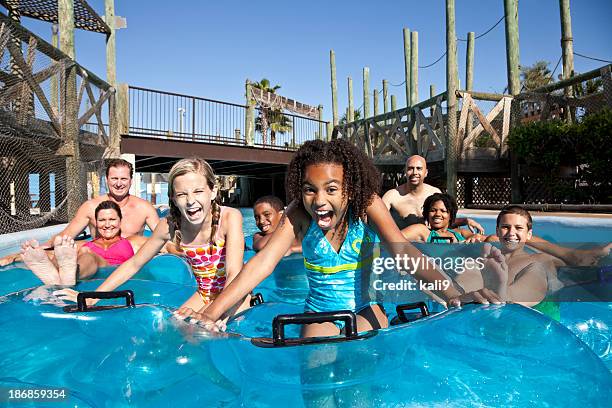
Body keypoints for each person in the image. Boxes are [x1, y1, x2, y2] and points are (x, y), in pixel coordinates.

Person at [182, 139, 500, 335]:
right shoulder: (298, 214)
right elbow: (261, 264)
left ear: (350, 188)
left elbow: (405, 252)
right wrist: (210, 313)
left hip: (364, 307)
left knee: (366, 355)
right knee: (319, 360)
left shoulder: (367, 205)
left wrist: (455, 295)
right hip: (319, 310)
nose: (319, 200)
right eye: (310, 189)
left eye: (331, 189)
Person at [55, 157, 250, 320]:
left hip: (235, 294)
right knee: (172, 332)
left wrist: (216, 314)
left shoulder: (229, 217)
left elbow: (234, 273)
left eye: (198, 191)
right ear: (173, 198)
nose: (191, 201)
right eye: (182, 194)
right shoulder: (170, 226)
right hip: (204, 294)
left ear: (213, 191)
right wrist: (93, 297)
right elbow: (133, 264)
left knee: (216, 333)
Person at [456, 206, 562, 319]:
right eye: (506, 227)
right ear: (497, 231)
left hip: (533, 325)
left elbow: (549, 287)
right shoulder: (484, 260)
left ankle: (503, 295)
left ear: (529, 234)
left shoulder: (540, 259)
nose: (511, 232)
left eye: (518, 228)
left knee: (537, 268)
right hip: (492, 323)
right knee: (471, 267)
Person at [12, 201, 149, 285]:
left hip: (111, 271)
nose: (107, 225)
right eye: (102, 220)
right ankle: (57, 275)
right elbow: (48, 253)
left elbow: (165, 246)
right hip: (84, 273)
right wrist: (12, 257)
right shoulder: (83, 244)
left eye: (112, 219)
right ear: (96, 222)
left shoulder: (133, 241)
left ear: (120, 221)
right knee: (60, 253)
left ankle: (62, 276)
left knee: (85, 252)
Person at [46, 158, 159, 245]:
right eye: (114, 178)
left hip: (132, 264)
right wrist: (44, 247)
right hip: (101, 262)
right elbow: (66, 235)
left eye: (123, 179)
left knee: (137, 241)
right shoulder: (90, 207)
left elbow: (162, 237)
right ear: (106, 180)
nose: (119, 184)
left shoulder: (144, 208)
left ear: (131, 181)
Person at [382, 155, 484, 233]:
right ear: (405, 171)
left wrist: (465, 221)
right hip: (402, 247)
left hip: (429, 245)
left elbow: (443, 222)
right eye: (410, 168)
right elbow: (376, 224)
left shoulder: (434, 193)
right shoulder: (392, 196)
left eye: (419, 168)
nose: (414, 172)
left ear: (426, 172)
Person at [401, 193, 486, 243]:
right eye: (433, 210)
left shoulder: (460, 233)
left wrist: (476, 237)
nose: (437, 214)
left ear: (450, 215)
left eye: (443, 211)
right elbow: (393, 238)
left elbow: (492, 239)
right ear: (427, 213)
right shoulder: (422, 231)